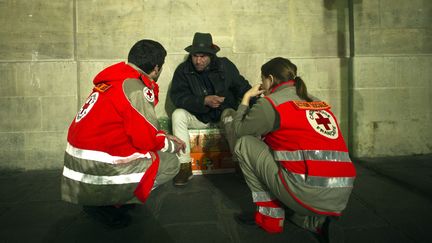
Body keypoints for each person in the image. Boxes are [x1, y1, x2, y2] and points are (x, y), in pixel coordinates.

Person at [61, 39, 185, 228]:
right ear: (156, 68)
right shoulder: (135, 88)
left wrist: (163, 136)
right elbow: (145, 140)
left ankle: (107, 199)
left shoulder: (115, 80)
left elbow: (133, 125)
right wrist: (173, 144)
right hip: (98, 165)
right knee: (170, 162)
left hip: (79, 164)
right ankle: (112, 202)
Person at [232, 57, 356, 240]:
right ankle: (316, 221)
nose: (262, 85)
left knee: (244, 144)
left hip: (306, 192)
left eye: (263, 79)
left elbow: (240, 131)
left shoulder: (272, 103)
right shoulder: (317, 101)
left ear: (271, 79)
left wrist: (245, 99)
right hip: (341, 194)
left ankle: (270, 218)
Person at [169, 32, 253, 186]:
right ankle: (185, 166)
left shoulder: (225, 65)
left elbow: (242, 87)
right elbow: (178, 97)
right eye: (195, 56)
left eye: (203, 57)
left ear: (211, 55)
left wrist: (258, 104)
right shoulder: (183, 70)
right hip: (199, 117)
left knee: (230, 115)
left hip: (223, 115)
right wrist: (203, 101)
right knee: (177, 114)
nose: (198, 61)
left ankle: (239, 165)